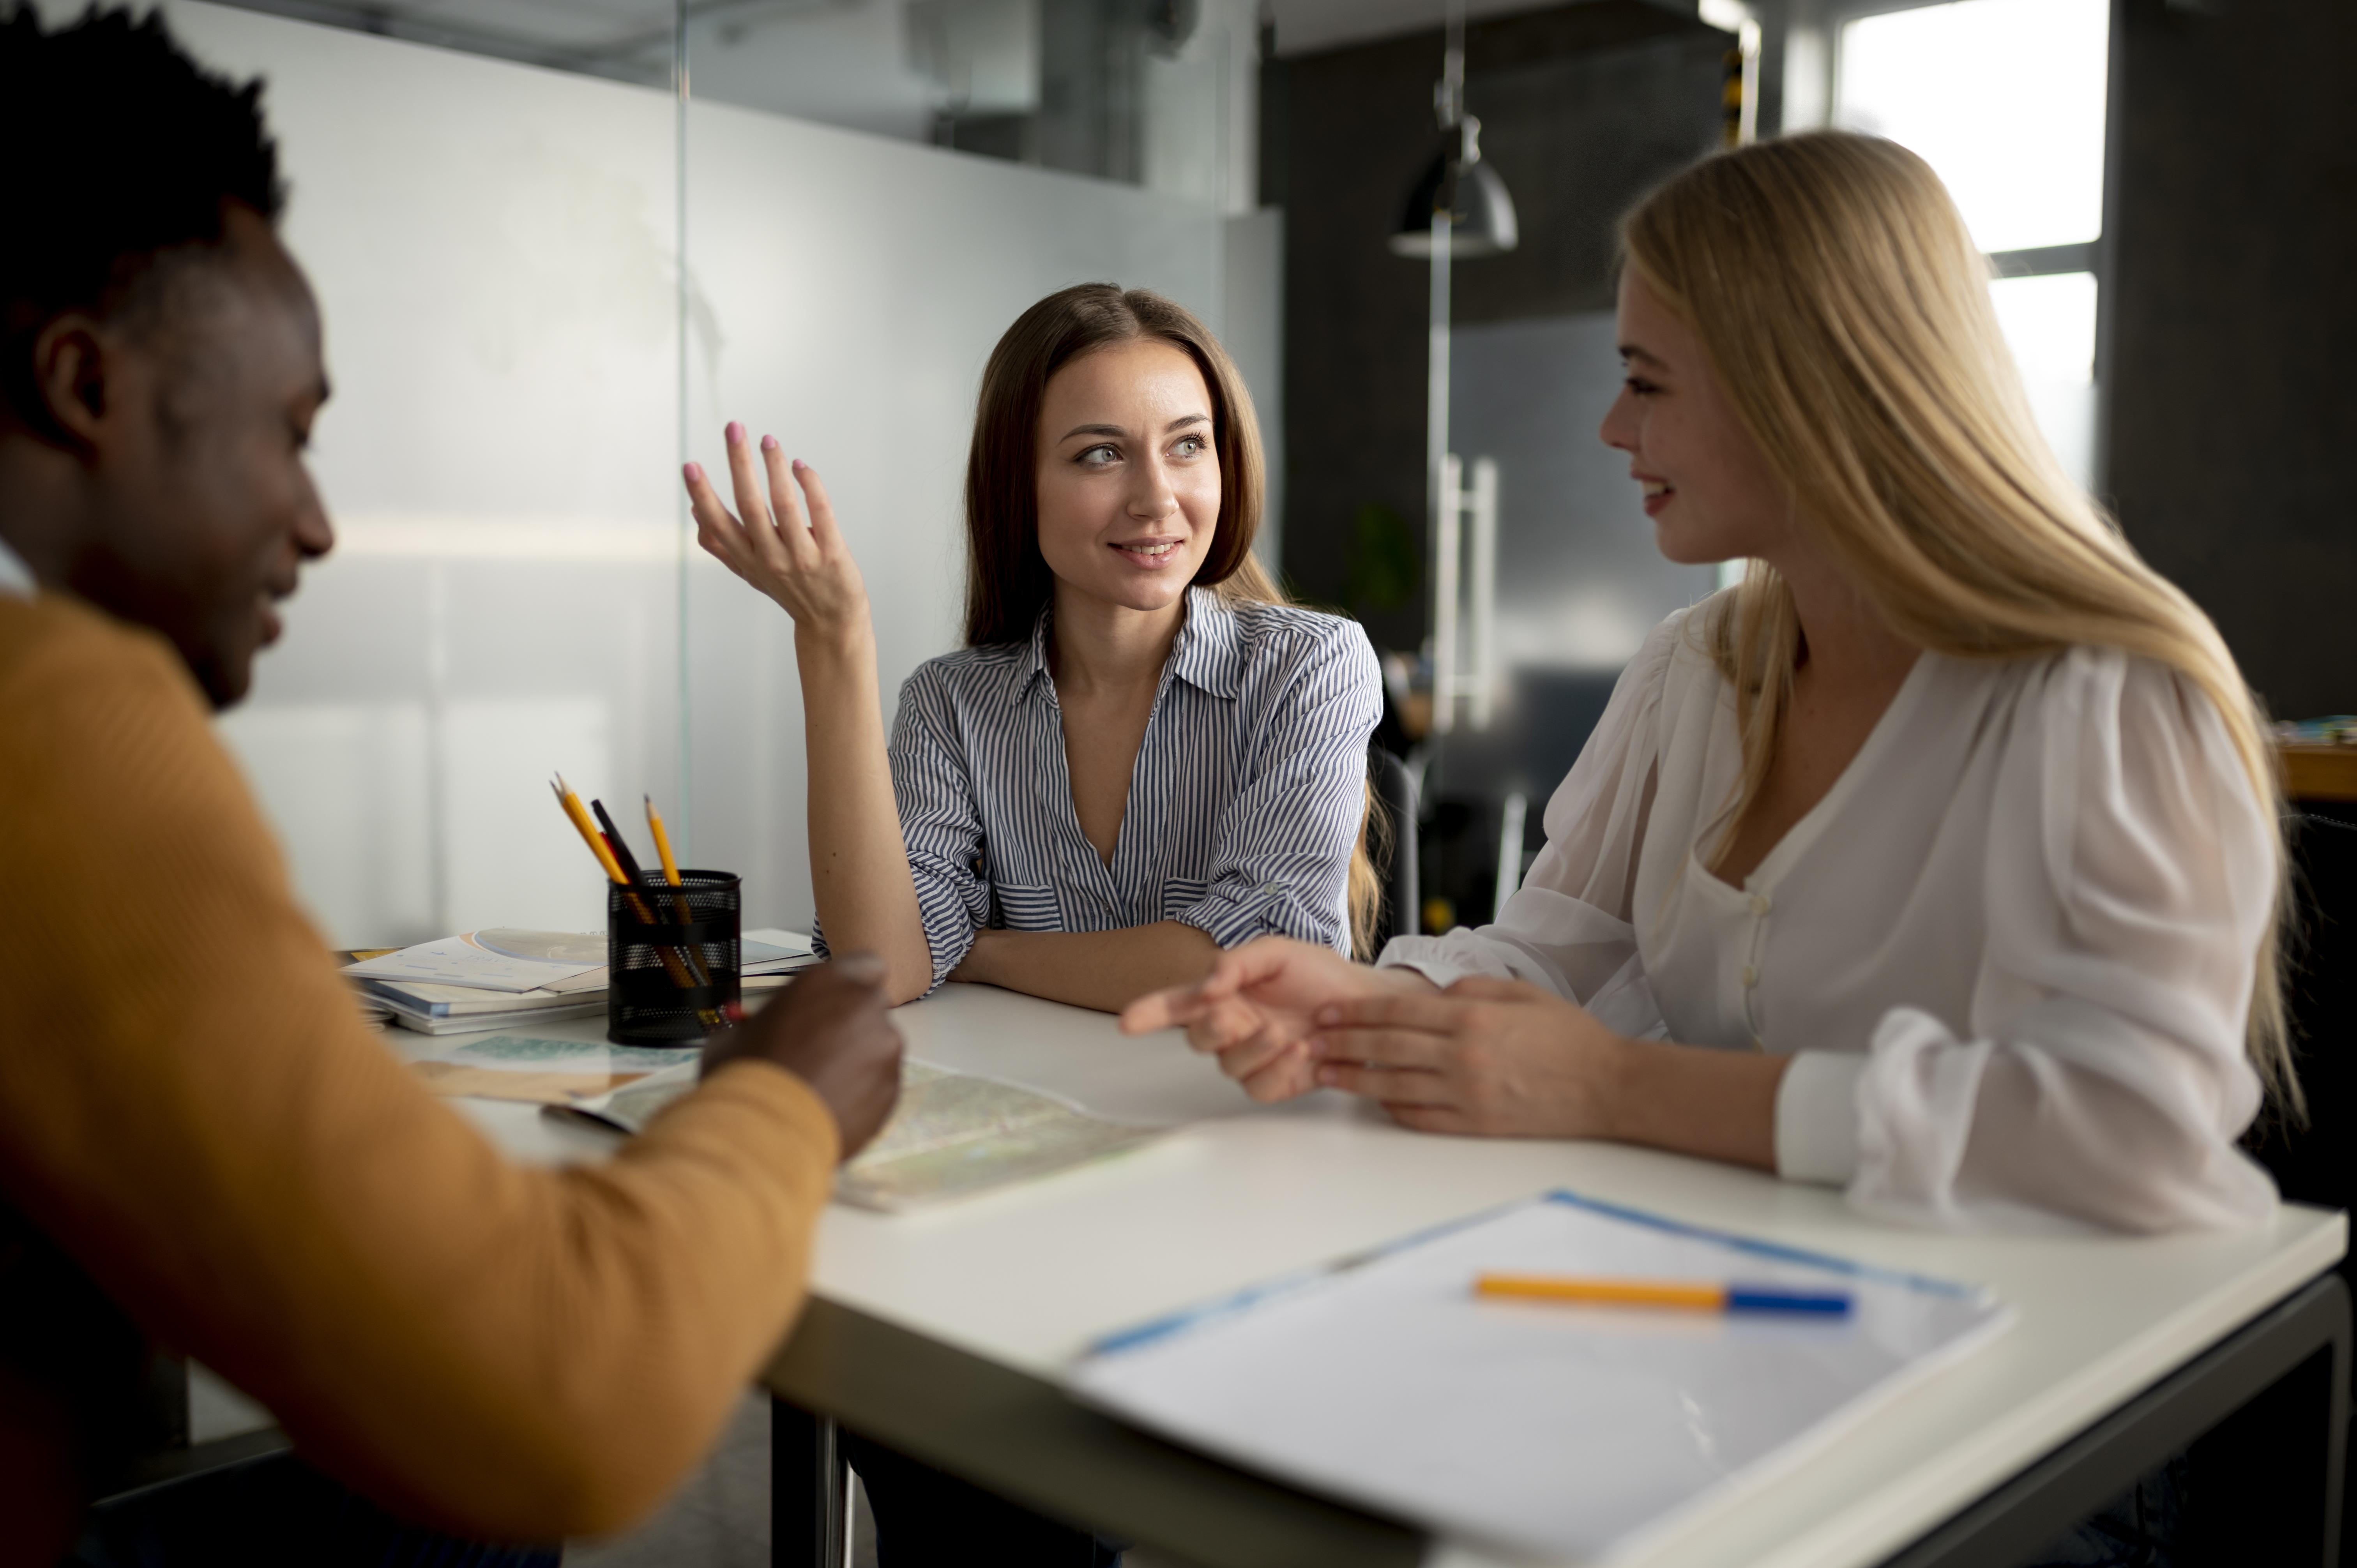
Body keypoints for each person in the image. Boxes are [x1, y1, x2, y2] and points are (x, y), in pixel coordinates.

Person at [0, 11, 903, 1562]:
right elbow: (563, 1389)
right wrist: (778, 1105)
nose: (320, 521)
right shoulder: (51, 732)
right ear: (83, 384)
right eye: (292, 436)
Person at [1126, 131, 2287, 1236]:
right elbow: (1553, 956)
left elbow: (2136, 1127)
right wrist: (1368, 1004)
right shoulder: (1695, 669)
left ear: (1807, 390)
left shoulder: (2106, 700)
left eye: (1647, 380)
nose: (1611, 426)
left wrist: (1623, 1090)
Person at [682, 284, 1385, 1017]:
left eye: (1187, 445)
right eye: (1101, 454)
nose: (1156, 498)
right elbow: (884, 966)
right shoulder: (953, 704)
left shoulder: (1311, 667)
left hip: (1239, 1116)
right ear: (1019, 486)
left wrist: (978, 951)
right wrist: (835, 638)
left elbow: (1256, 964)